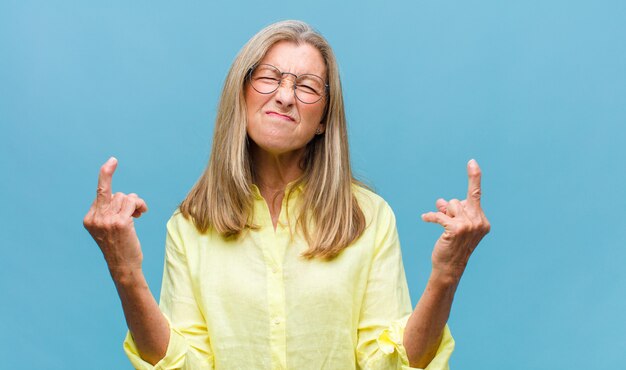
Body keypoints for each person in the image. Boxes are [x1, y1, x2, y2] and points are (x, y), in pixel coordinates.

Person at [83, 20, 490, 370]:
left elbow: (392, 364)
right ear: (240, 94)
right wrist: (126, 274)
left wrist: (446, 275)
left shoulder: (368, 216)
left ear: (322, 121)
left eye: (308, 86)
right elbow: (183, 365)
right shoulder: (190, 226)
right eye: (268, 77)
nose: (285, 95)